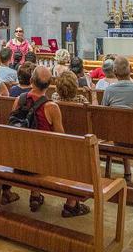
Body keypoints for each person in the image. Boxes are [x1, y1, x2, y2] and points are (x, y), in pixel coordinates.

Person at [10, 66, 88, 217]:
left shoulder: (18, 100)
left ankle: (35, 195)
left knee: (33, 146)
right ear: (50, 84)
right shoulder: (51, 107)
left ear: (32, 81)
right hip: (42, 161)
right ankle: (71, 204)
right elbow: (61, 138)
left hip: (19, 157)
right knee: (75, 155)